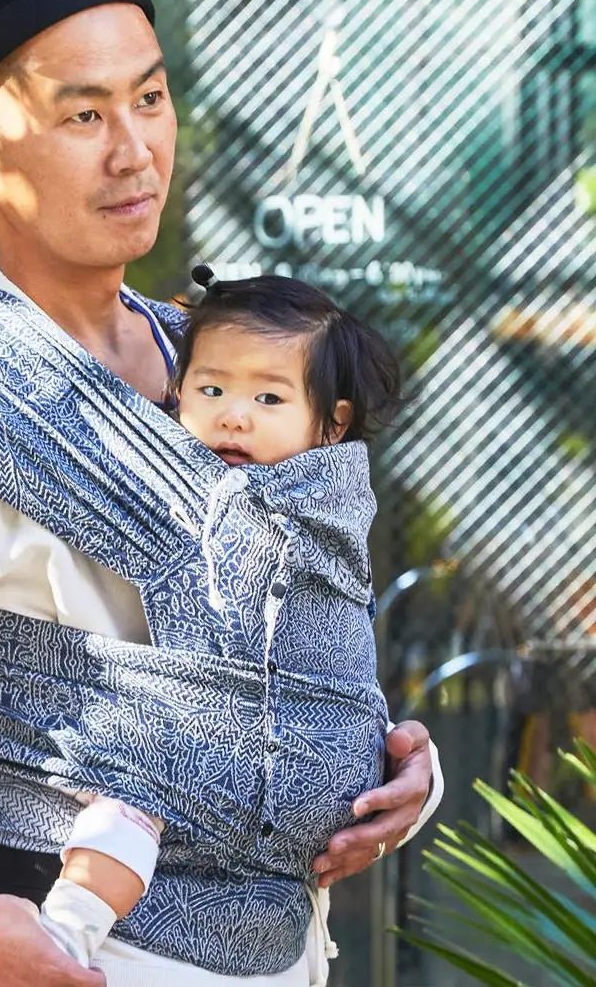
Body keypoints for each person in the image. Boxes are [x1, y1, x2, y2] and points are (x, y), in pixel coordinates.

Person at [0, 0, 443, 986]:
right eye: (83, 114)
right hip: (75, 948)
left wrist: (393, 771)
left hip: (285, 952)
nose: (135, 151)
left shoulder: (213, 363)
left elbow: (296, 623)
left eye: (149, 99)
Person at [35, 267, 412, 974]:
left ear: (331, 423)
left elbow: (339, 636)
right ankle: (63, 938)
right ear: (178, 392)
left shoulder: (331, 505)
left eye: (268, 398)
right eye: (211, 391)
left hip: (294, 892)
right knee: (123, 813)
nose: (234, 416)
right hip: (183, 760)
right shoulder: (173, 483)